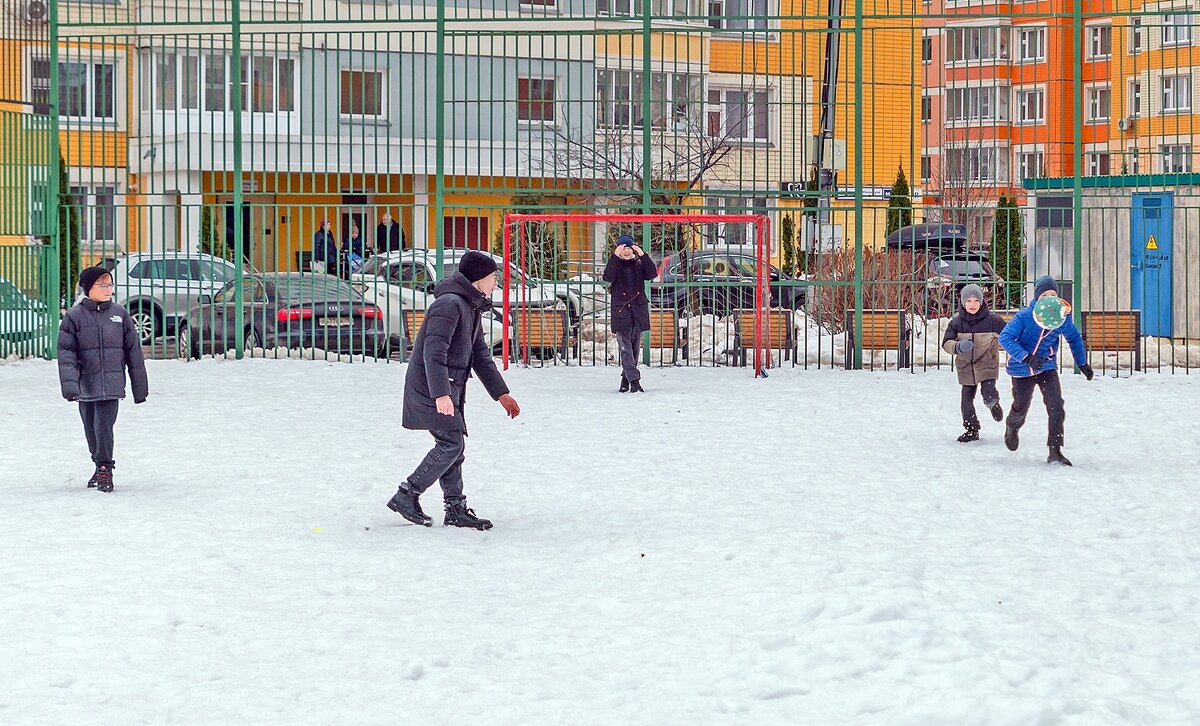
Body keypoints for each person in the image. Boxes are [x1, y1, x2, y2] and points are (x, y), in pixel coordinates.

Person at [387, 250, 521, 530]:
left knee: (454, 446)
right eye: (493, 276)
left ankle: (455, 509)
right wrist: (441, 394)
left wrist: (501, 394)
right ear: (478, 279)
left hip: (450, 387)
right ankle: (407, 494)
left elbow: (481, 355)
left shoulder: (470, 306)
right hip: (432, 387)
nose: (495, 282)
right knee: (451, 444)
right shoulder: (449, 305)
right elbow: (433, 354)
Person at [57, 266, 149, 493]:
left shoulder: (120, 314)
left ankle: (106, 468)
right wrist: (70, 385)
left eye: (110, 284)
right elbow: (66, 354)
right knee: (90, 428)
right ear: (89, 288)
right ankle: (98, 465)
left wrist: (140, 387)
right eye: (103, 285)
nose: (108, 289)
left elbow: (133, 352)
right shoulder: (74, 317)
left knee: (104, 426)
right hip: (86, 385)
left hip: (112, 384)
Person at [999, 275, 1093, 466]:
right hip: (1021, 367)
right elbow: (1005, 338)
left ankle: (1055, 450)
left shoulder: (1061, 317)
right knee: (1021, 404)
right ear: (1037, 297)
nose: (1049, 299)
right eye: (1044, 296)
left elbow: (1074, 339)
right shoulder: (1025, 315)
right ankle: (1012, 426)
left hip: (1046, 365)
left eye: (1053, 295)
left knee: (1056, 406)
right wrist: (1027, 358)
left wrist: (1082, 363)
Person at [941, 284, 1007, 443]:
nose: (972, 304)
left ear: (982, 301)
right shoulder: (956, 323)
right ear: (963, 302)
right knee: (966, 399)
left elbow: (1009, 338)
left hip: (987, 364)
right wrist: (958, 346)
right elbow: (946, 343)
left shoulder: (993, 321)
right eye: (969, 300)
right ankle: (971, 429)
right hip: (966, 367)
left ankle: (993, 404)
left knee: (988, 394)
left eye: (976, 300)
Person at [603, 234, 657, 393]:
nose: (626, 251)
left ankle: (625, 380)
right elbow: (607, 277)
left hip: (638, 310)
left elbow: (652, 274)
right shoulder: (615, 264)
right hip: (621, 311)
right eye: (623, 248)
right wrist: (614, 256)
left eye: (629, 248)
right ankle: (634, 381)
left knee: (634, 348)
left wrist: (642, 254)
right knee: (625, 348)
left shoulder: (639, 263)